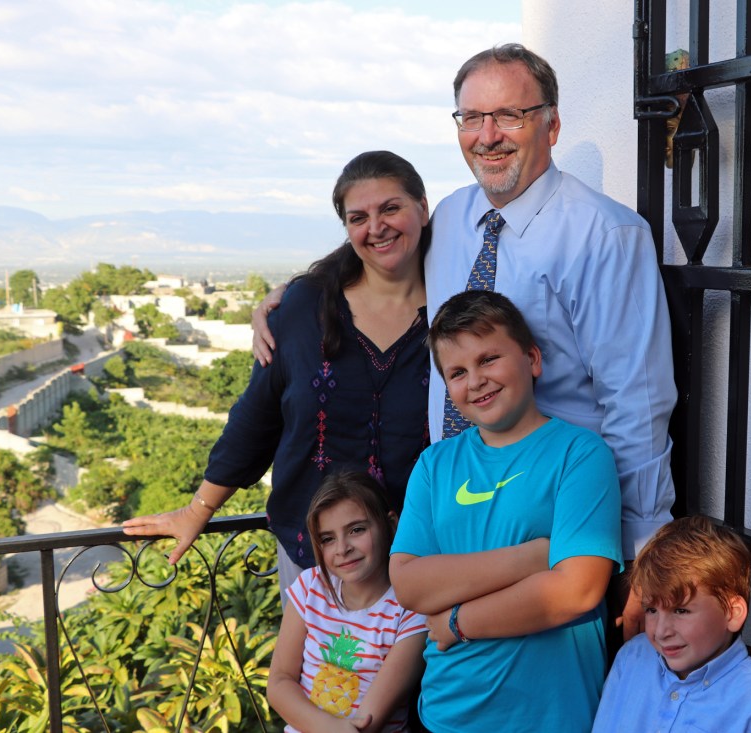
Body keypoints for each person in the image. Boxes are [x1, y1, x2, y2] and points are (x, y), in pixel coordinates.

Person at [253, 43, 676, 636]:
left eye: (509, 115)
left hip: (552, 524)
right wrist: (289, 297)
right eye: (471, 118)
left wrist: (642, 552)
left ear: (551, 125)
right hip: (452, 514)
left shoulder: (604, 235)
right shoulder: (451, 218)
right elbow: (378, 250)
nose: (488, 135)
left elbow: (637, 402)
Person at [123, 151, 432, 590]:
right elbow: (258, 417)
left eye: (390, 208)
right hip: (316, 561)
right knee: (314, 664)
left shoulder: (454, 310)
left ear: (422, 206)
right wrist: (199, 510)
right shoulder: (306, 309)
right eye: (358, 217)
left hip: (418, 559)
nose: (376, 227)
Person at [389, 290, 622, 732]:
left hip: (549, 717)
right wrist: (533, 558)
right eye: (457, 372)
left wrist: (458, 622)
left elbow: (577, 592)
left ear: (532, 359)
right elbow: (409, 583)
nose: (475, 380)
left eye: (488, 359)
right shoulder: (435, 465)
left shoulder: (580, 454)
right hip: (447, 713)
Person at [591, 516, 751, 732]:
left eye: (681, 611)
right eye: (651, 610)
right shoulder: (632, 657)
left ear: (732, 613)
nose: (661, 632)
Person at [268, 471, 427, 733]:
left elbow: (369, 720)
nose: (342, 548)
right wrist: (329, 727)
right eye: (328, 539)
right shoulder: (311, 587)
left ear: (391, 525)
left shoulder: (409, 608)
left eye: (356, 530)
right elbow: (279, 682)